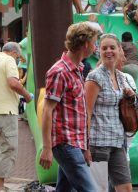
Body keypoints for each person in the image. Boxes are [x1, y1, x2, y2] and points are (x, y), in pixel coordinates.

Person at [85, 33, 138, 192]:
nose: (108, 51)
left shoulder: (122, 77)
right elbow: (86, 112)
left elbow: (129, 107)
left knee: (126, 188)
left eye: (112, 47)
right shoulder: (94, 77)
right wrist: (85, 145)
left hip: (118, 141)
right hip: (98, 142)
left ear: (120, 50)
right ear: (99, 51)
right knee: (99, 188)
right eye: (104, 48)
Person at [39, 22, 99, 192]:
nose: (95, 48)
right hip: (65, 143)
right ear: (86, 44)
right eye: (94, 43)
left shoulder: (77, 69)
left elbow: (78, 112)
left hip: (74, 142)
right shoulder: (59, 71)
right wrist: (46, 148)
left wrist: (85, 147)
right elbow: (47, 110)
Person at [0, 42, 32, 192]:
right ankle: (0, 187)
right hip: (5, 111)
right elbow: (13, 83)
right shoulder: (9, 60)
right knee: (8, 148)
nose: (17, 60)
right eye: (17, 57)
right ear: (14, 53)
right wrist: (27, 96)